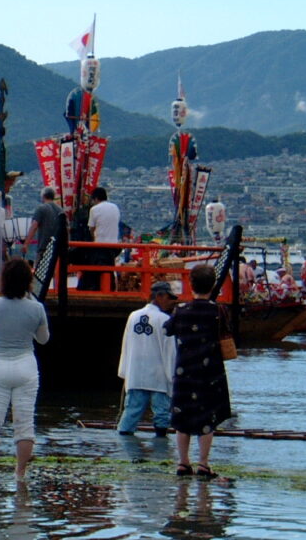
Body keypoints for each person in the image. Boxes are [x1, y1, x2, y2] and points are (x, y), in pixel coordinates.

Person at [0, 259, 50, 481]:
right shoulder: (36, 308)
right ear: (28, 282)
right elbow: (43, 339)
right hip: (26, 366)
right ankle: (20, 471)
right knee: (25, 423)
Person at [164, 264, 232, 478]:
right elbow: (228, 333)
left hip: (184, 370)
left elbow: (167, 330)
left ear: (191, 284)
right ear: (213, 286)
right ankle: (203, 463)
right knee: (207, 418)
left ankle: (183, 462)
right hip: (210, 371)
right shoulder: (219, 311)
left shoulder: (181, 310)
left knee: (182, 416)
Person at [116, 281, 177, 437]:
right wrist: (172, 375)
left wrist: (124, 370)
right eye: (168, 297)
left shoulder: (133, 316)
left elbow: (126, 345)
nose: (170, 301)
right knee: (161, 413)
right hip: (158, 374)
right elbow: (169, 351)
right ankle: (161, 443)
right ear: (159, 296)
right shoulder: (164, 319)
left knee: (131, 411)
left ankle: (124, 442)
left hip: (136, 372)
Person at [81, 186, 120, 291]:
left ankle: (97, 289)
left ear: (96, 198)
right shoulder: (115, 207)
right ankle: (111, 288)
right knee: (110, 268)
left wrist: (93, 239)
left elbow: (91, 229)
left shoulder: (94, 209)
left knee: (96, 270)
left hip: (100, 245)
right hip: (114, 245)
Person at [21, 187, 63, 263]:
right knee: (55, 270)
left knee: (40, 269)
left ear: (43, 196)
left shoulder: (41, 208)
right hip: (58, 249)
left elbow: (34, 226)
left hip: (44, 248)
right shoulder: (61, 210)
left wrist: (26, 244)